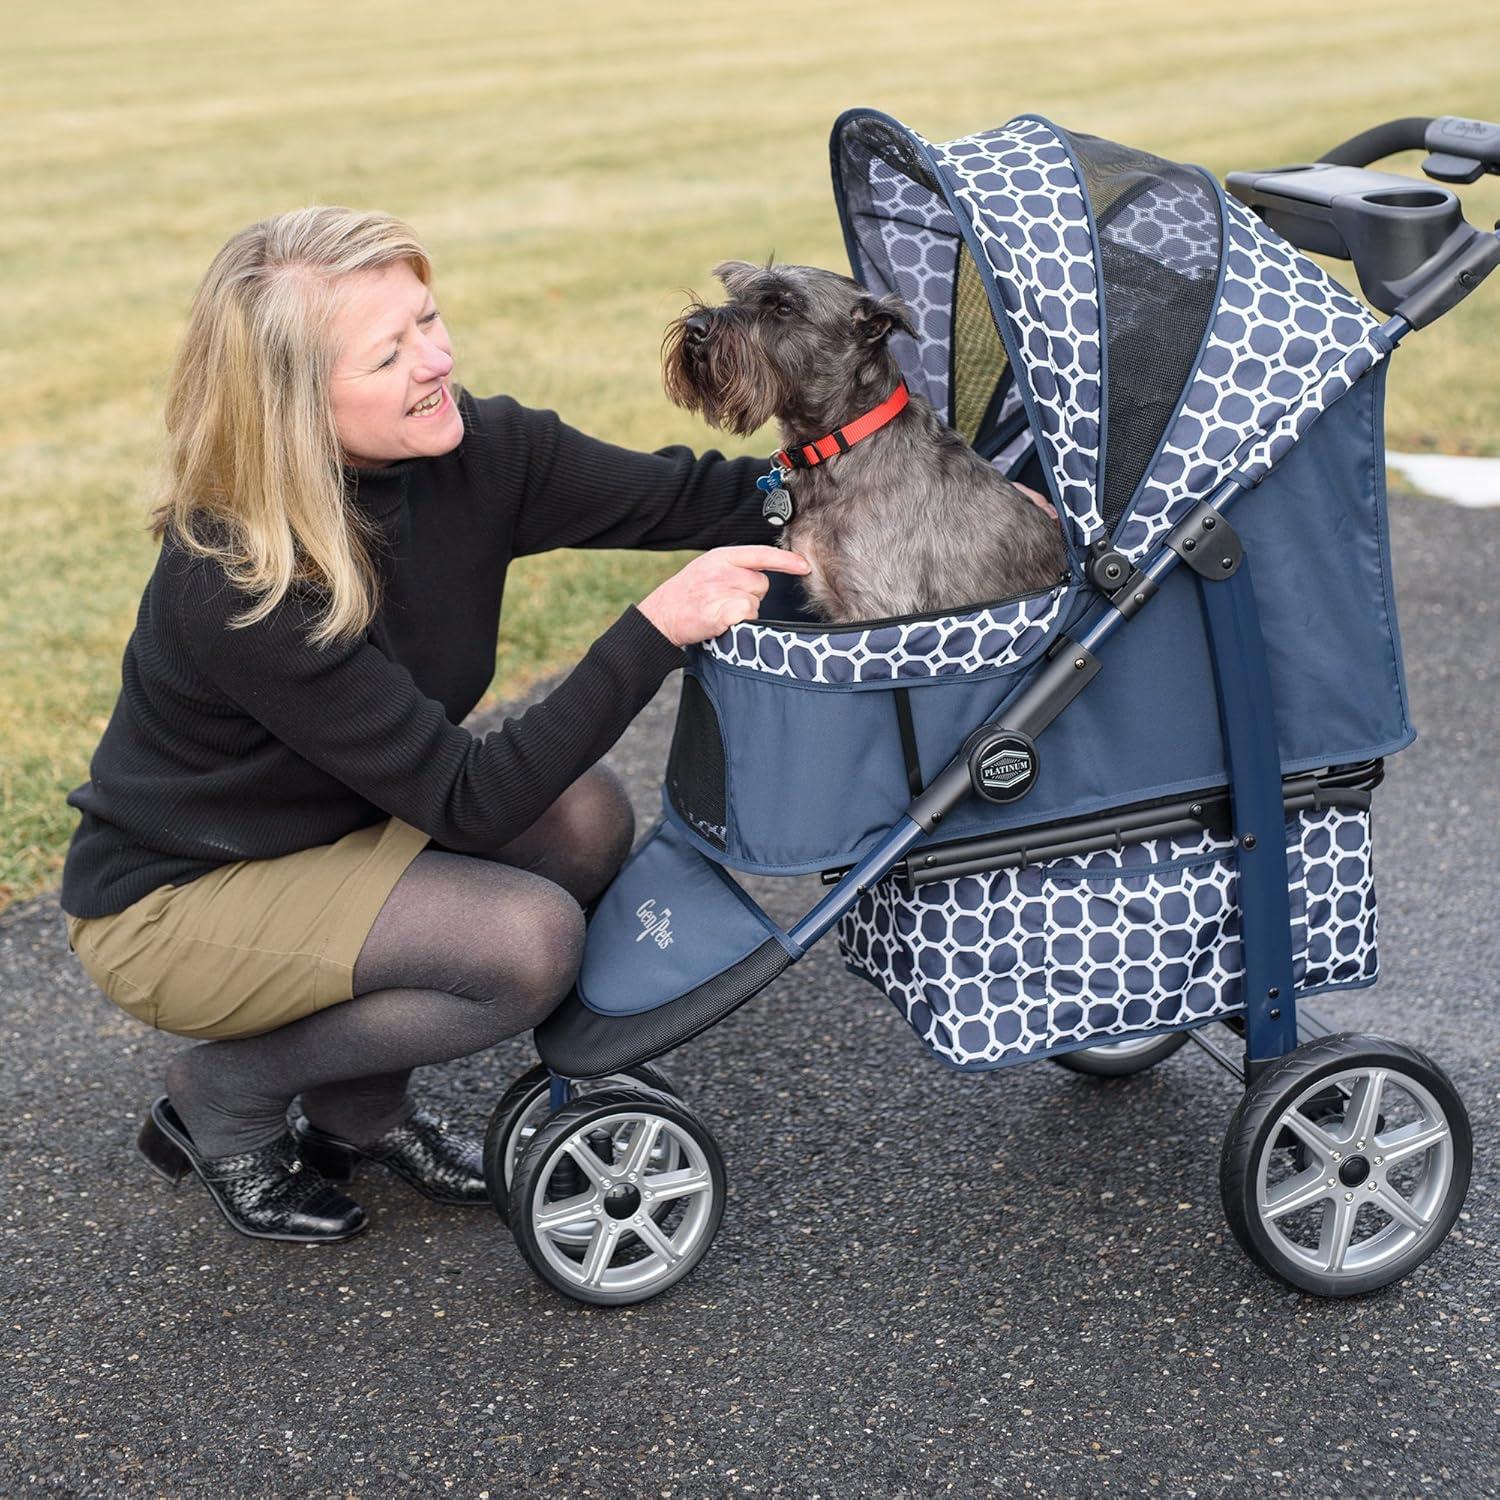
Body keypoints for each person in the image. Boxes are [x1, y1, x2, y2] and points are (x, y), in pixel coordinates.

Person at [59, 206, 809, 1244]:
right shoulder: (243, 580)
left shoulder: (475, 451)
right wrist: (659, 628)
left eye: (430, 318)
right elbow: (468, 800)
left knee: (583, 817)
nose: (438, 358)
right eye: (390, 351)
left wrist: (879, 464)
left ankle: (357, 1113)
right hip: (181, 900)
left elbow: (705, 499)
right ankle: (224, 1092)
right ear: (294, 404)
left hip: (336, 828)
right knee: (523, 944)